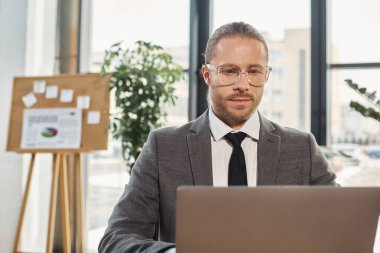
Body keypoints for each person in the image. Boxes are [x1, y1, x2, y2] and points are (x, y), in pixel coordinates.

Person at [98, 22, 338, 253]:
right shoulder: (164, 148)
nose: (243, 85)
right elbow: (116, 239)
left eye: (254, 71)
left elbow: (341, 228)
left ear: (266, 75)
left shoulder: (302, 148)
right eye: (229, 71)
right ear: (207, 75)